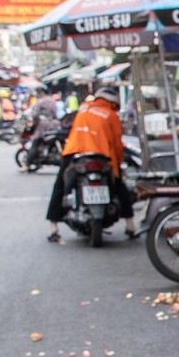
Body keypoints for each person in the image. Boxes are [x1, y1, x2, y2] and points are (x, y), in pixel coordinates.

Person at [44, 83, 136, 243]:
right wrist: (119, 162)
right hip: (102, 156)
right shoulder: (111, 115)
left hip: (75, 153)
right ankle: (130, 225)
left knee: (60, 185)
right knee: (119, 185)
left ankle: (53, 227)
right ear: (113, 103)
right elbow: (116, 143)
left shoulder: (83, 109)